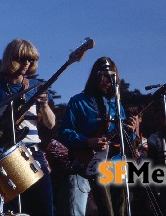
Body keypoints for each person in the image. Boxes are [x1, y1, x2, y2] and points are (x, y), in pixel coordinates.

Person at [0, 38, 55, 216]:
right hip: (5, 154)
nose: (26, 64)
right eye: (22, 59)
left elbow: (50, 124)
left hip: (33, 152)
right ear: (11, 59)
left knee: (45, 207)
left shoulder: (38, 87)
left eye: (30, 60)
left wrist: (44, 106)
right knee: (9, 211)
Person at [58, 57, 138, 216]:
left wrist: (131, 129)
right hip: (92, 165)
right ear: (95, 76)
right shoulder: (77, 101)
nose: (108, 81)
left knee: (122, 210)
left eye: (111, 77)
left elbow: (123, 137)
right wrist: (87, 142)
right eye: (103, 76)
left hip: (116, 164)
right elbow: (64, 133)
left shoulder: (116, 103)